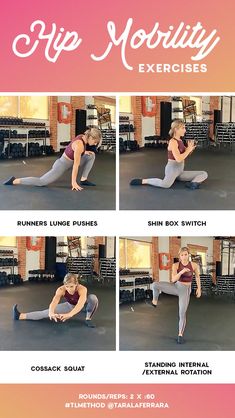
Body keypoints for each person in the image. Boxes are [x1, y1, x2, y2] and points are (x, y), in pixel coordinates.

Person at [3, 128, 102, 191]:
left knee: (91, 155)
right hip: (62, 165)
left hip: (69, 162)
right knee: (42, 182)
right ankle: (15, 180)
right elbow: (76, 166)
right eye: (95, 142)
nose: (95, 144)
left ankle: (83, 179)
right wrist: (73, 182)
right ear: (91, 138)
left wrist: (84, 152)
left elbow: (72, 151)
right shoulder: (79, 144)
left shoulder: (82, 137)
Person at [130, 119, 208, 190]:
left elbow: (185, 154)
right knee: (165, 185)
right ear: (176, 129)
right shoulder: (173, 142)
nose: (185, 130)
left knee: (204, 174)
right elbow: (178, 159)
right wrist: (188, 150)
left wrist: (190, 148)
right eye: (183, 128)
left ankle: (193, 183)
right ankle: (144, 181)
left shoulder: (180, 140)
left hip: (180, 172)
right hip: (172, 170)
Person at [151, 247, 201, 343]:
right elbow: (173, 280)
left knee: (182, 313)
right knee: (155, 285)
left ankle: (180, 334)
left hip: (185, 290)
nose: (184, 257)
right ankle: (154, 302)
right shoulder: (176, 265)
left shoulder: (194, 265)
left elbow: (197, 277)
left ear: (188, 255)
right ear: (180, 256)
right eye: (182, 255)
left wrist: (199, 288)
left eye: (186, 254)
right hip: (176, 286)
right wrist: (182, 272)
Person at [12, 273, 99, 328]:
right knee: (45, 312)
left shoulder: (82, 289)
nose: (69, 289)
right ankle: (20, 316)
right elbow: (54, 301)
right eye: (67, 286)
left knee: (93, 298)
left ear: (76, 284)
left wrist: (69, 314)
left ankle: (88, 318)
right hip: (70, 305)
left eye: (71, 286)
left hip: (84, 305)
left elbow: (80, 304)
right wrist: (51, 312)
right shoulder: (61, 289)